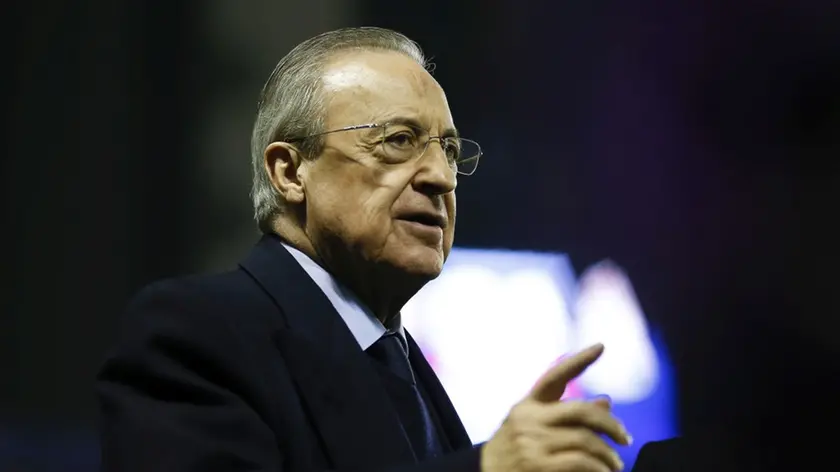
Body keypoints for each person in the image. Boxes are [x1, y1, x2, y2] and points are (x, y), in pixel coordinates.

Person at [97, 27, 632, 472]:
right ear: (290, 171)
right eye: (399, 140)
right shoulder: (194, 331)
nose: (442, 177)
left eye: (448, 150)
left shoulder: (399, 360)